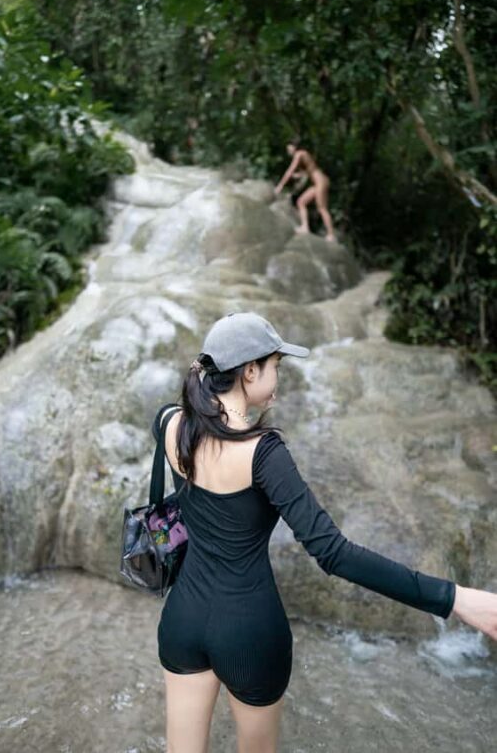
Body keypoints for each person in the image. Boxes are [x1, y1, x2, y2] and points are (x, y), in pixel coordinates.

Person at [151, 311, 497, 753]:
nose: (279, 376)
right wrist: (456, 599)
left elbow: (174, 426)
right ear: (249, 370)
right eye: (276, 364)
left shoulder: (170, 424)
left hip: (182, 618)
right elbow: (334, 553)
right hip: (249, 630)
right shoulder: (263, 452)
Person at [274, 140, 336, 241]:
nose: (288, 151)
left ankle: (331, 235)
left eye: (289, 148)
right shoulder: (305, 156)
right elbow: (306, 173)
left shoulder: (300, 154)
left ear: (294, 147)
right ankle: (305, 227)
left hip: (321, 182)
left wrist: (280, 186)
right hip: (317, 183)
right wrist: (296, 177)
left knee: (322, 208)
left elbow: (290, 170)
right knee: (301, 202)